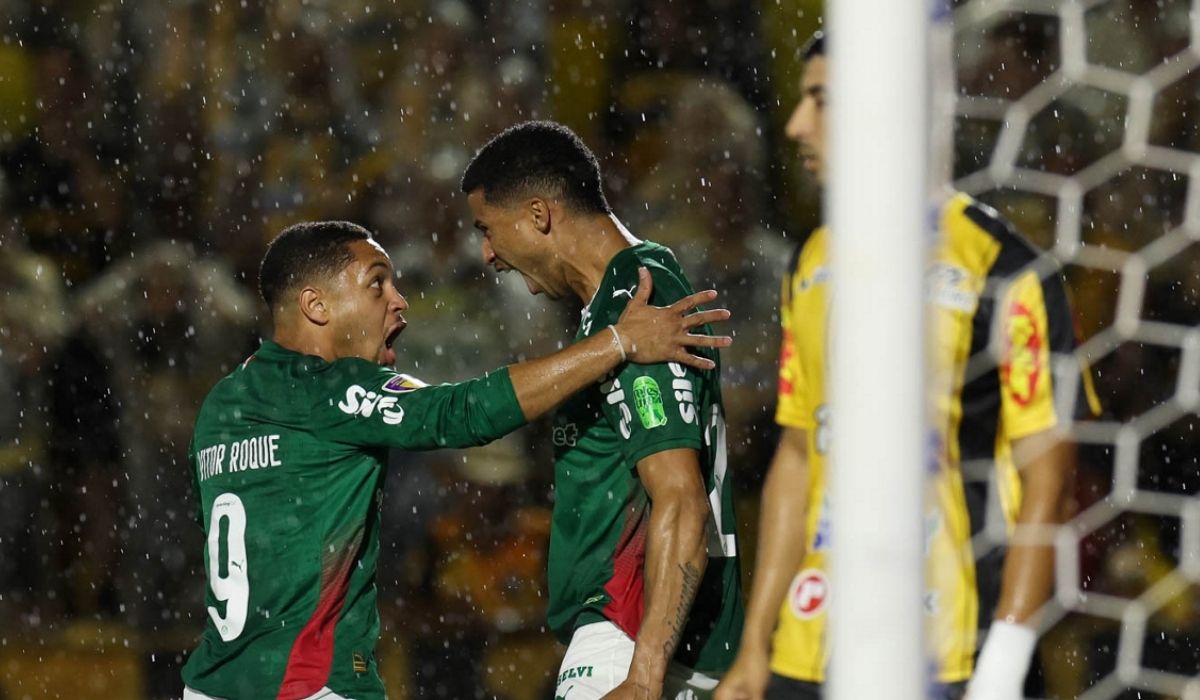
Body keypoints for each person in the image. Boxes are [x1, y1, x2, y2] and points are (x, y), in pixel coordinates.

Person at [180, 220, 730, 700]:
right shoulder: (328, 391)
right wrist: (617, 342)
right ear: (316, 306)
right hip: (306, 685)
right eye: (377, 284)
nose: (399, 301)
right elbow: (460, 412)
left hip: (209, 684)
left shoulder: (221, 405)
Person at [715, 32, 1100, 700]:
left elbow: (1051, 479)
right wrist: (755, 647)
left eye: (821, 100)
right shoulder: (809, 262)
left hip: (950, 651)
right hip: (813, 649)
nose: (796, 124)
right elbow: (799, 456)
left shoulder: (1004, 270)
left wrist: (1003, 665)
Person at [460, 121, 745, 700]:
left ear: (539, 215)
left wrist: (642, 677)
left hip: (626, 642)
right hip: (643, 643)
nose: (488, 253)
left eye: (488, 229)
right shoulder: (619, 313)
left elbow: (680, 498)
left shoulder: (633, 300)